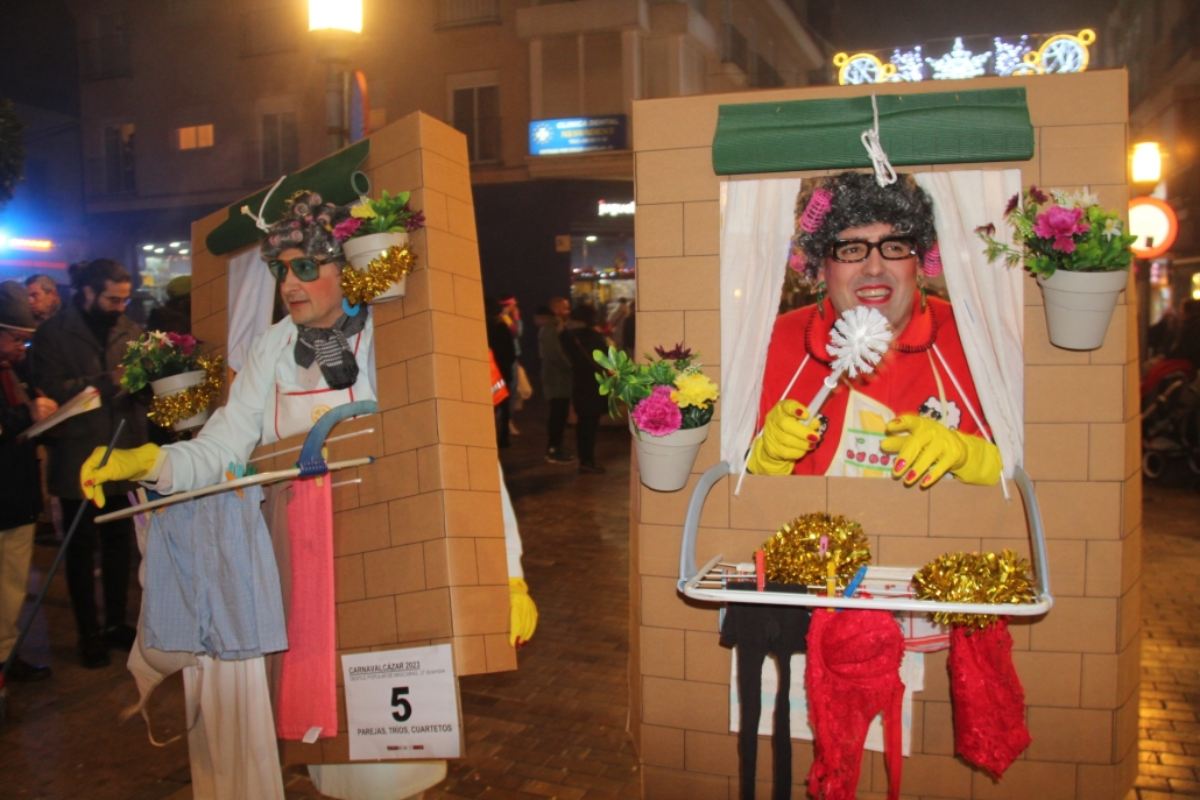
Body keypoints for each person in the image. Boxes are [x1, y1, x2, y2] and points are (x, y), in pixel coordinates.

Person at [77, 191, 536, 798]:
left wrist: (505, 571)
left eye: (304, 267)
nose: (288, 283)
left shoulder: (396, 338)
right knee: (329, 754)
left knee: (395, 756)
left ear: (346, 266)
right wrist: (153, 461)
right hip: (304, 568)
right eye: (278, 270)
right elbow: (222, 449)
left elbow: (467, 460)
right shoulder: (269, 348)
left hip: (395, 564)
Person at [748, 171, 1001, 488]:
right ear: (821, 268)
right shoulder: (772, 344)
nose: (875, 268)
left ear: (919, 262)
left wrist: (974, 458)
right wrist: (759, 461)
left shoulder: (974, 340)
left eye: (894, 247)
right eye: (851, 249)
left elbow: (1028, 470)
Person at [31, 258, 146, 668]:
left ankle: (116, 623)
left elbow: (140, 386)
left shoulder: (131, 329)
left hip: (122, 451)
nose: (120, 306)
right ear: (89, 293)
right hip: (77, 458)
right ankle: (88, 634)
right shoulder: (53, 336)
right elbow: (49, 395)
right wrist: (104, 381)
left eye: (125, 298)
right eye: (113, 298)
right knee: (80, 552)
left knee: (118, 546)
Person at [0, 282, 58, 682]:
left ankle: (4, 656)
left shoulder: (14, 369)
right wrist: (27, 417)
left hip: (17, 498)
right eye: (16, 339)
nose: (21, 347)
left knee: (12, 587)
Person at [560, 304, 608, 474]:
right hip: (594, 384)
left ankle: (584, 459)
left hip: (577, 383)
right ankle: (587, 461)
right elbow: (606, 359)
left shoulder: (566, 336)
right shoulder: (595, 337)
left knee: (583, 424)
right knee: (590, 424)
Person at [539, 296, 575, 464]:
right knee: (557, 414)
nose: (567, 311)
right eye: (564, 308)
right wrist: (571, 366)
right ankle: (553, 449)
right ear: (555, 309)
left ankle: (556, 446)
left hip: (559, 378)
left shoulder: (557, 327)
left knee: (560, 414)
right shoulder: (550, 328)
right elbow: (553, 354)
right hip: (556, 378)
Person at [487, 298, 518, 448]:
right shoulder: (501, 327)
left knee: (488, 407)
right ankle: (503, 437)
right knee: (503, 405)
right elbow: (510, 352)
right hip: (502, 372)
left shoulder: (479, 327)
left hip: (486, 372)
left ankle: (488, 436)